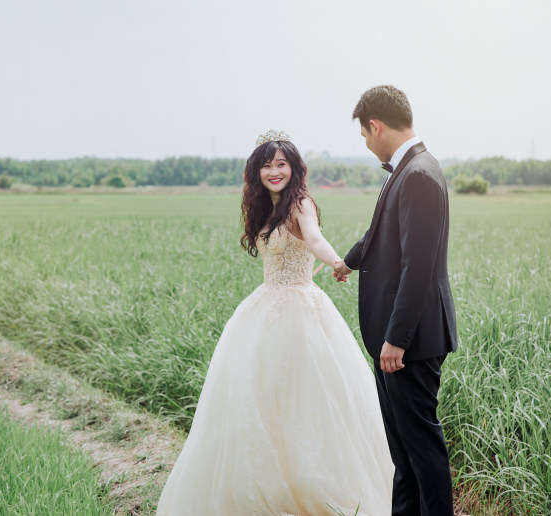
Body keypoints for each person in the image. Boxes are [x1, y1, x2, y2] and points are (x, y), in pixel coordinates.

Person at [157, 130, 393, 516]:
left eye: (281, 164)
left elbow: (314, 238)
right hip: (264, 308)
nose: (274, 171)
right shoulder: (263, 207)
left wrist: (337, 261)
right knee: (257, 398)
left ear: (293, 168)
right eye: (267, 165)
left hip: (301, 309)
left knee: (307, 398)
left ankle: (315, 488)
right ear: (257, 172)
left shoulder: (301, 203)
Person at [334, 85, 458, 516]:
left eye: (365, 136)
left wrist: (397, 339)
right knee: (403, 455)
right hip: (397, 340)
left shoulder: (419, 174)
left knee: (421, 451)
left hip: (410, 343)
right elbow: (381, 234)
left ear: (376, 125)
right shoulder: (407, 169)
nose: (367, 145)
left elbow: (418, 267)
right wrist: (349, 261)